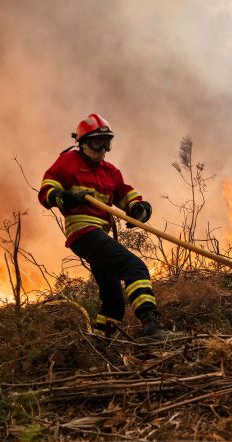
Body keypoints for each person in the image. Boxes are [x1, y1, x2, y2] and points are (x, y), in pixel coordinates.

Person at [38, 113, 168, 338]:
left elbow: (125, 194)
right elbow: (46, 192)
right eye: (98, 143)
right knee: (134, 267)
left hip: (99, 234)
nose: (103, 150)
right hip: (83, 233)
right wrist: (64, 196)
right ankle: (151, 324)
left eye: (107, 143)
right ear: (83, 143)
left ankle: (101, 344)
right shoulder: (67, 163)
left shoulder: (110, 172)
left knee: (113, 300)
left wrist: (139, 208)